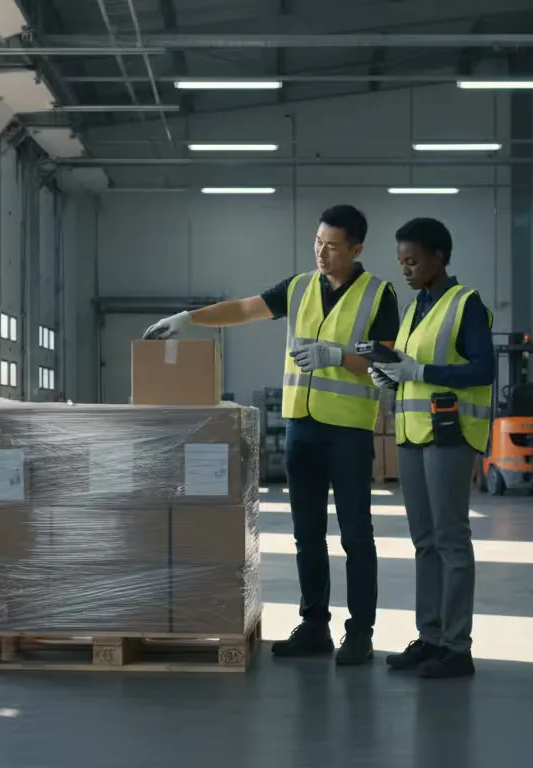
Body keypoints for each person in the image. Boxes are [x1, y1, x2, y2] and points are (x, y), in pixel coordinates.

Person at [142, 204, 398, 666]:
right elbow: (244, 309)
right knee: (307, 534)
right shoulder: (299, 287)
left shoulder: (379, 295)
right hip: (303, 427)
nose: (322, 252)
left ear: (357, 249)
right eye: (318, 242)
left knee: (356, 535)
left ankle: (359, 632)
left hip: (350, 433)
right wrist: (190, 318)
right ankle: (315, 625)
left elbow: (386, 363)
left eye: (333, 246)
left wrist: (337, 357)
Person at [369, 217, 495, 679]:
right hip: (412, 433)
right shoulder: (415, 306)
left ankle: (457, 648)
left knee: (450, 540)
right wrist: (387, 374)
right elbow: (409, 365)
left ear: (439, 257)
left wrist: (418, 373)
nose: (405, 269)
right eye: (401, 262)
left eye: (413, 261)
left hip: (449, 434)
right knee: (424, 543)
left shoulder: (467, 305)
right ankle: (431, 637)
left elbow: (483, 371)